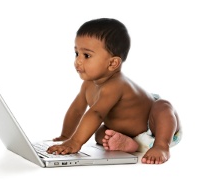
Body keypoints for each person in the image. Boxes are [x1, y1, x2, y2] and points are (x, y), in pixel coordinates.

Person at [47, 18, 182, 164]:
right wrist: (66, 137)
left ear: (113, 63)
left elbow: (96, 113)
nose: (78, 61)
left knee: (163, 107)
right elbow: (76, 111)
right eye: (76, 53)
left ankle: (162, 146)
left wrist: (75, 142)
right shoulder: (88, 85)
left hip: (154, 126)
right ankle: (130, 144)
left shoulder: (116, 84)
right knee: (100, 134)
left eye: (86, 55)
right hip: (127, 133)